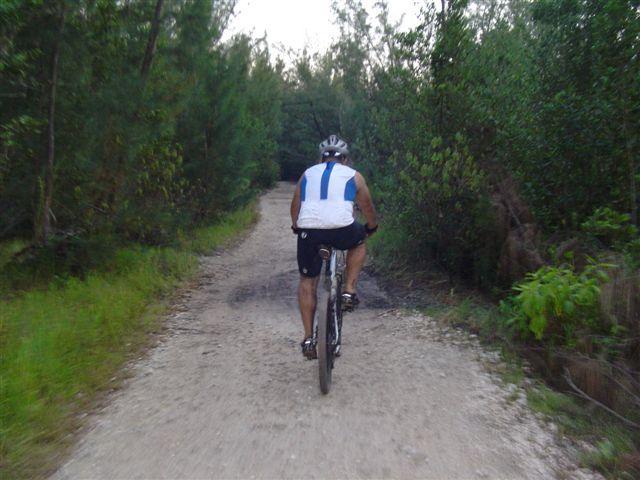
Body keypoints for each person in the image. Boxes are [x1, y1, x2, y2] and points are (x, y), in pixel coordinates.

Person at [290, 135, 378, 359]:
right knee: (358, 241)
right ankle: (349, 289)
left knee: (307, 282)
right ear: (345, 160)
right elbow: (367, 205)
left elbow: (295, 205)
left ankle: (309, 338)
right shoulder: (354, 175)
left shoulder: (307, 174)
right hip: (342, 228)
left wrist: (296, 227)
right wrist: (371, 226)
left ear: (321, 159)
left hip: (310, 230)